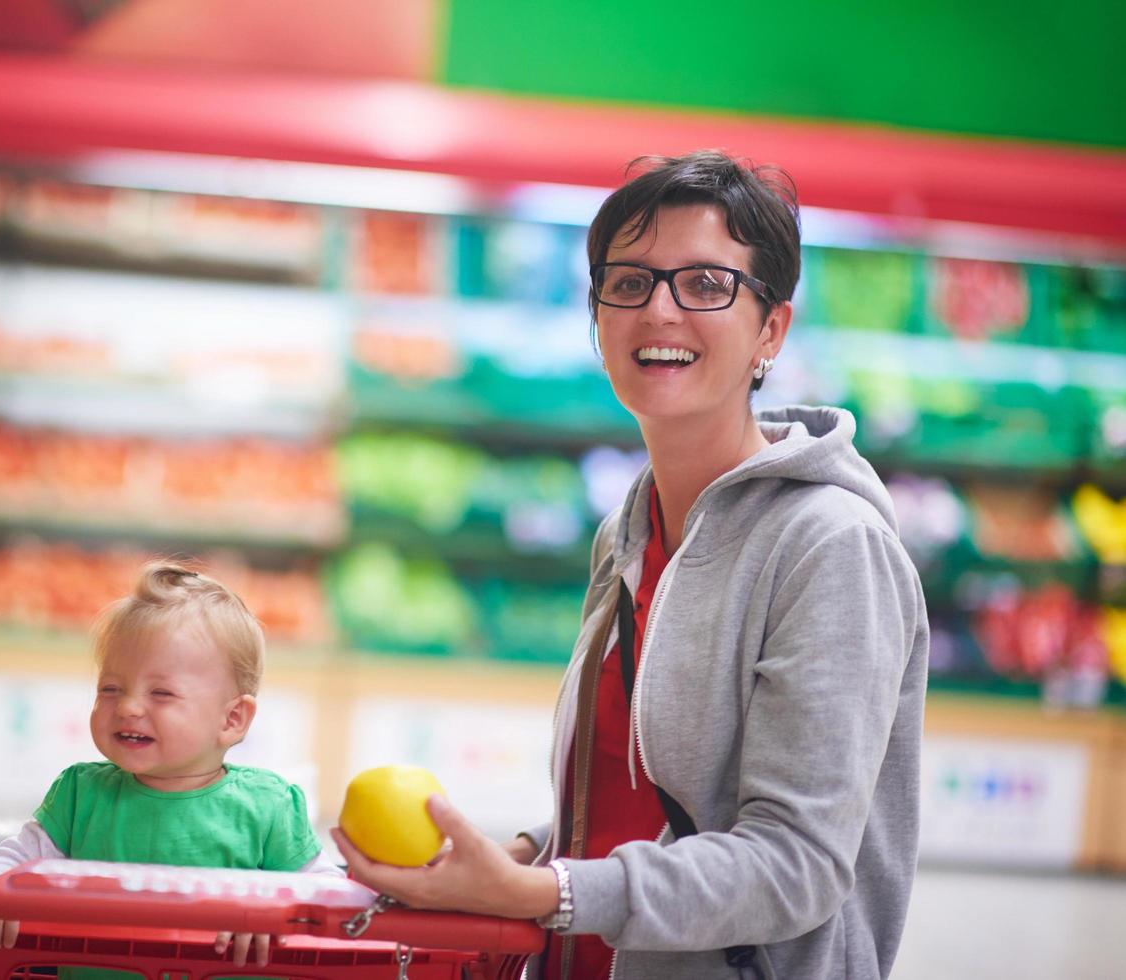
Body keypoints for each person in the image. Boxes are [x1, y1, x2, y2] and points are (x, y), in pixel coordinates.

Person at [331, 150, 929, 979]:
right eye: (629, 281)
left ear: (770, 329)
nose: (660, 310)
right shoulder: (628, 530)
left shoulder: (831, 548)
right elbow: (630, 804)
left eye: (706, 285)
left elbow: (795, 866)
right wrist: (515, 856)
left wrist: (543, 893)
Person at [0, 561, 341, 970]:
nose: (127, 706)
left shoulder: (269, 808)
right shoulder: (80, 796)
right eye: (110, 688)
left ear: (231, 720)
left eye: (161, 693)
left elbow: (329, 892)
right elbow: (16, 859)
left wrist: (279, 912)